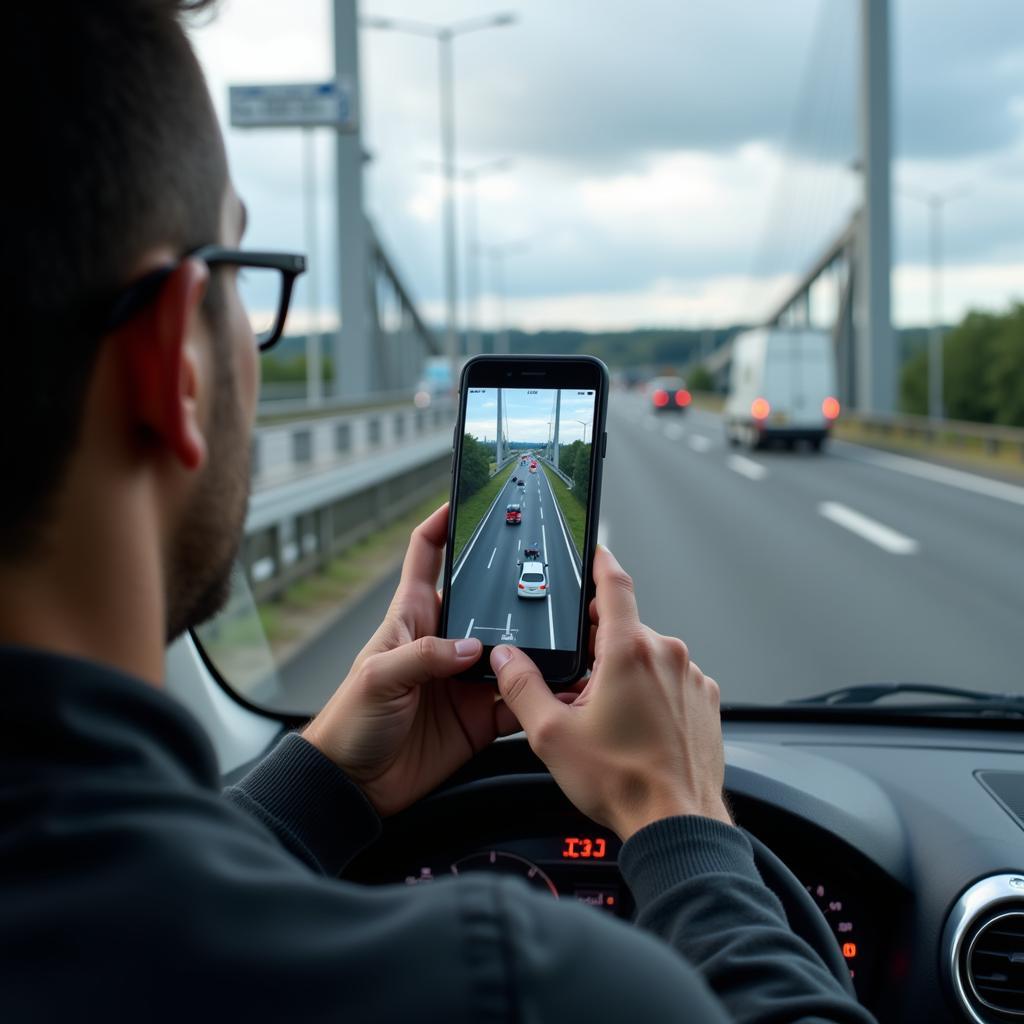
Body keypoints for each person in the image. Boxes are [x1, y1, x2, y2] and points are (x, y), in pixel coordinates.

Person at [0, 3, 876, 1022]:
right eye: (239, 279)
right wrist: (677, 821)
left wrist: (326, 783)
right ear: (174, 367)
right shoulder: (513, 988)